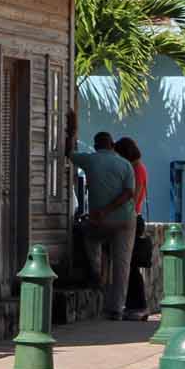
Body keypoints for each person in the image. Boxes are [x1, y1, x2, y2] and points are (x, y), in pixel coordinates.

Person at [68, 130, 138, 320]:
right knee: (122, 264)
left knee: (89, 236)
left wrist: (71, 132)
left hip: (100, 219)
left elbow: (69, 153)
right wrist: (110, 209)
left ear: (96, 145)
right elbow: (129, 193)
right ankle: (116, 309)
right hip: (125, 219)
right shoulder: (125, 164)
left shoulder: (90, 160)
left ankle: (97, 271)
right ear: (112, 145)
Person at [114, 136, 150, 317]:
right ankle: (135, 305)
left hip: (131, 218)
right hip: (135, 217)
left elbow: (133, 196)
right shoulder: (140, 167)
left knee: (131, 265)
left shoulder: (135, 169)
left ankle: (138, 305)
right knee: (131, 264)